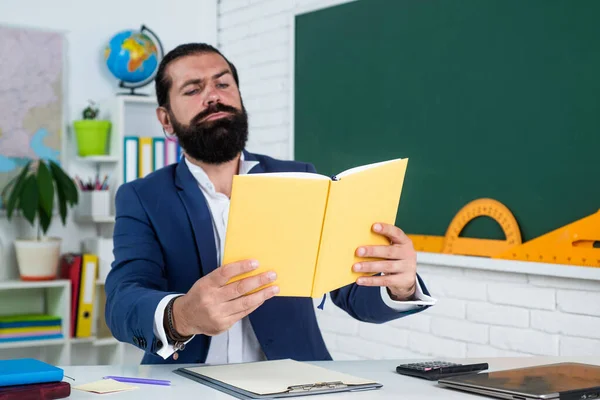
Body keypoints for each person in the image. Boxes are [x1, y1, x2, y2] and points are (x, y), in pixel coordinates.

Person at [104, 43, 436, 365]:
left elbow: (350, 291)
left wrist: (401, 286)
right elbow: (123, 302)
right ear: (166, 120)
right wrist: (184, 315)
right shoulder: (142, 197)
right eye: (193, 90)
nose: (213, 96)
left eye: (223, 83)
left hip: (294, 381)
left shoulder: (300, 178)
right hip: (185, 384)